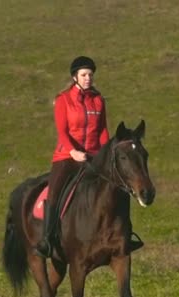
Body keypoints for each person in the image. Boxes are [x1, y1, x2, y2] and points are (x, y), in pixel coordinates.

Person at [35, 56, 143, 258]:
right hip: (67, 156)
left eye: (90, 75)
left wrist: (104, 154)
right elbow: (62, 132)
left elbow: (103, 131)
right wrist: (73, 152)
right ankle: (47, 239)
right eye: (84, 75)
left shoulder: (98, 100)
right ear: (75, 77)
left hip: (94, 156)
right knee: (55, 191)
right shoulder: (63, 100)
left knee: (118, 186)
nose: (88, 78)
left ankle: (125, 235)